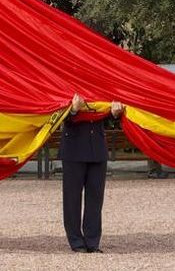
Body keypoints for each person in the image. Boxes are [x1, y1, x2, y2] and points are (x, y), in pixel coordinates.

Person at [60, 93, 124, 253]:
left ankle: (92, 241)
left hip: (97, 148)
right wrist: (73, 110)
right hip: (74, 148)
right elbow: (57, 115)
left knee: (95, 198)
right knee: (72, 199)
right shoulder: (67, 85)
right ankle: (76, 241)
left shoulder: (99, 88)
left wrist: (113, 113)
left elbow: (105, 115)